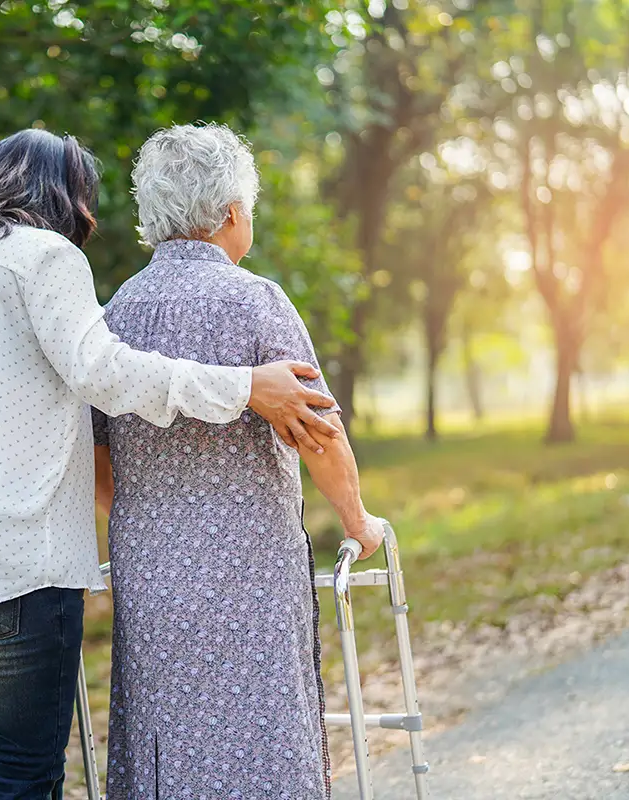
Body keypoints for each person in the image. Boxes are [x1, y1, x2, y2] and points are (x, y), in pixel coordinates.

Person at [0, 128, 341, 800]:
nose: (90, 217)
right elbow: (103, 373)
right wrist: (246, 386)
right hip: (19, 562)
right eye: (85, 197)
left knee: (15, 765)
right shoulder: (45, 256)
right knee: (23, 776)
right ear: (63, 193)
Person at [92, 123, 385, 800]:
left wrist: (151, 522)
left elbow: (98, 459)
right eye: (247, 208)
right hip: (252, 571)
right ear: (229, 214)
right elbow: (322, 436)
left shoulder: (111, 319)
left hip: (152, 578)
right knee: (265, 737)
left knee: (169, 737)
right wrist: (359, 519)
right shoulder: (257, 302)